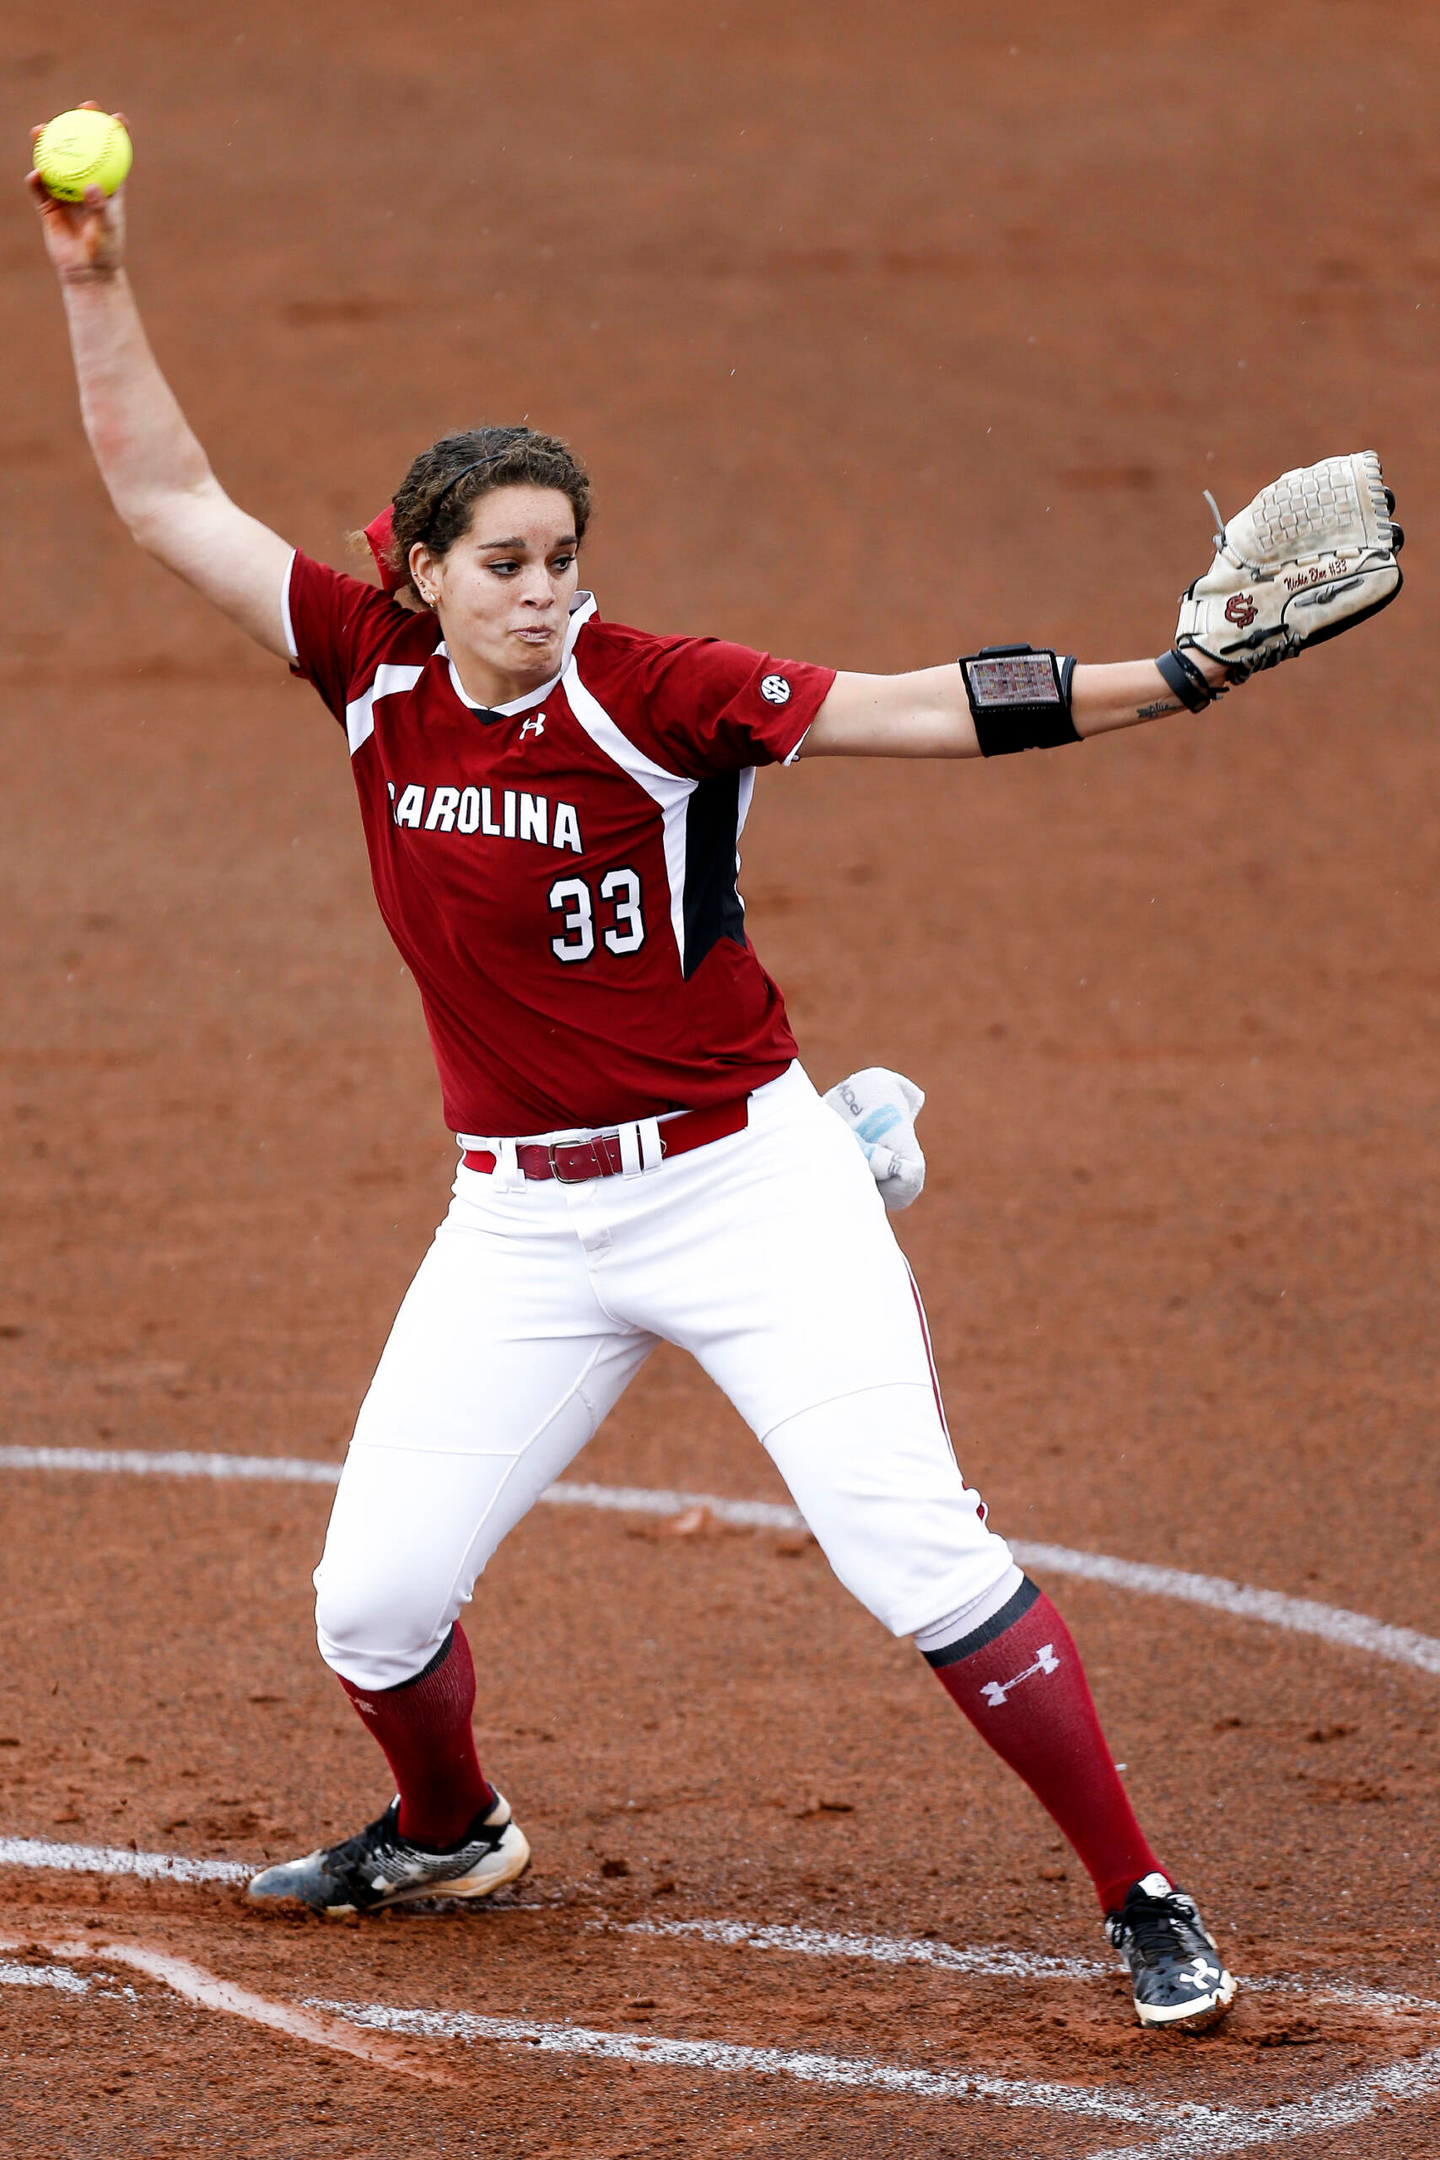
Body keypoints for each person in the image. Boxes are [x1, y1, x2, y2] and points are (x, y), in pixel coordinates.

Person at [30, 122, 1401, 2035]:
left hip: (742, 1191)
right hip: (519, 1220)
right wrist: (94, 280)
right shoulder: (370, 673)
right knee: (371, 1605)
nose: (546, 593)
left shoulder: (653, 689)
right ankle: (448, 1830)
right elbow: (166, 495)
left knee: (917, 1556)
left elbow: (926, 702)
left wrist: (1165, 677)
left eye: (564, 559)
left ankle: (1141, 1893)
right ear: (420, 573)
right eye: (503, 564)